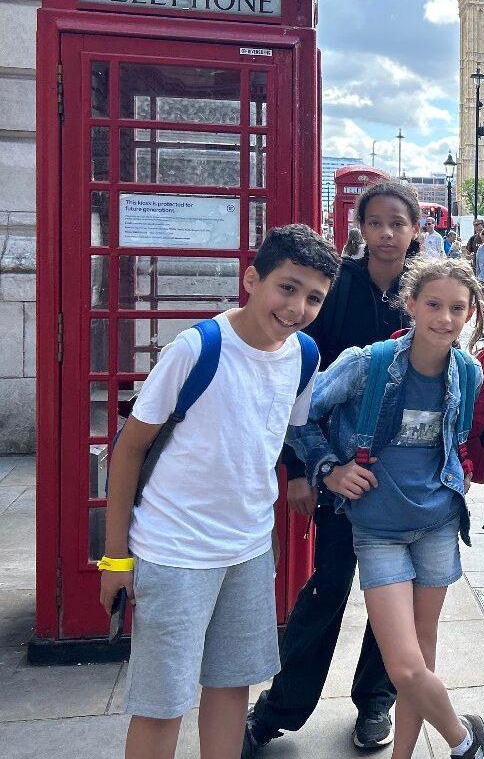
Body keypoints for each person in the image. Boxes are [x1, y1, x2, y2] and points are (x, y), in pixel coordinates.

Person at [102, 225, 339, 759]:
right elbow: (130, 448)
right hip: (175, 552)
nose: (297, 307)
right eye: (287, 287)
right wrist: (115, 559)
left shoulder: (304, 355)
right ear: (252, 280)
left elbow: (274, 437)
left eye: (314, 297)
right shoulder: (197, 349)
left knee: (232, 688)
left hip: (249, 550)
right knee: (162, 704)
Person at [288, 257, 484, 759]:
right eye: (434, 305)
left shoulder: (468, 372)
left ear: (470, 313)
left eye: (457, 308)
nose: (445, 318)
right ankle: (466, 740)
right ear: (411, 305)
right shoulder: (369, 364)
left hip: (438, 523)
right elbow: (299, 417)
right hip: (377, 530)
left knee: (423, 655)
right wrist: (329, 468)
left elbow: (456, 439)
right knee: (403, 666)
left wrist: (460, 468)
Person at [246, 182, 421, 757]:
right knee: (327, 589)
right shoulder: (337, 287)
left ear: (415, 230)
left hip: (403, 475)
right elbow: (299, 382)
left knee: (393, 594)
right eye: (376, 222)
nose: (387, 233)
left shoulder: (424, 288)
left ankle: (375, 701)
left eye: (398, 223)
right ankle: (279, 709)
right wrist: (300, 468)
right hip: (340, 468)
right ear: (360, 228)